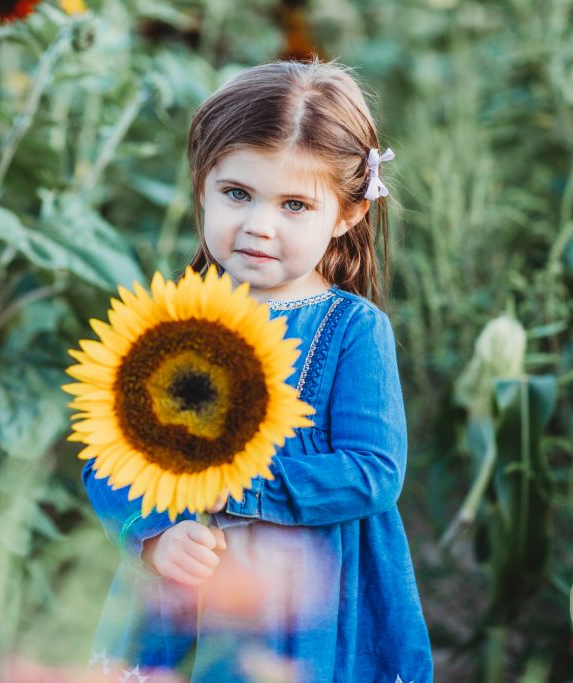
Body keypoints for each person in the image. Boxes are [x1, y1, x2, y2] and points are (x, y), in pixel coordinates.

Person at [80, 57, 433, 683]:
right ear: (203, 184)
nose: (259, 226)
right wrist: (156, 535)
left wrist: (235, 486)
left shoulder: (351, 330)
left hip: (304, 602)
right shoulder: (172, 324)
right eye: (237, 194)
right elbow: (109, 457)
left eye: (295, 204)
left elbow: (373, 471)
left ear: (347, 214)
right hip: (185, 595)